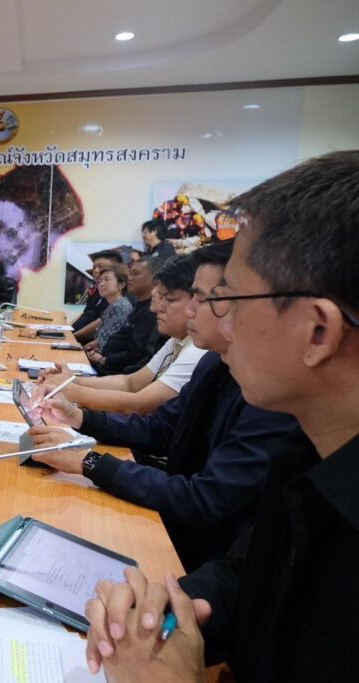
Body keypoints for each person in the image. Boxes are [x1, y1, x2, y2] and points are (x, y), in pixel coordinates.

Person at [82, 151, 359, 682]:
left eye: (229, 299)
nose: (215, 323)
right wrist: (160, 612)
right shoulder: (308, 453)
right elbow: (250, 577)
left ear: (318, 331)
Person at [30, 239, 301, 571]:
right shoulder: (213, 363)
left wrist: (89, 462)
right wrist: (80, 418)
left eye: (204, 299)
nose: (189, 311)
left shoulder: (271, 396)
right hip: (179, 520)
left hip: (200, 552)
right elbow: (158, 429)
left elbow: (205, 500)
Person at [44, 256, 207, 414]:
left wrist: (68, 389)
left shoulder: (198, 351)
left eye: (169, 300)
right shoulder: (176, 340)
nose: (158, 308)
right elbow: (130, 383)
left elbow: (138, 405)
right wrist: (71, 380)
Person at [91, 256, 161, 375]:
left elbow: (136, 355)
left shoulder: (151, 312)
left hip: (116, 374)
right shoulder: (138, 306)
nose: (130, 278)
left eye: (135, 273)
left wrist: (103, 360)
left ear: (155, 279)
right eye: (130, 273)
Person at [73, 250, 123, 342]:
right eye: (94, 267)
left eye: (100, 267)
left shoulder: (117, 300)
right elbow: (85, 314)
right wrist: (67, 329)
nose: (96, 271)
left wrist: (73, 337)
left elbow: (99, 323)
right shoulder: (98, 291)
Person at [91, 263, 132, 352]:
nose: (101, 284)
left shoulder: (119, 307)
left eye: (106, 280)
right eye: (100, 281)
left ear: (121, 285)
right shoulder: (115, 305)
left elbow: (105, 345)